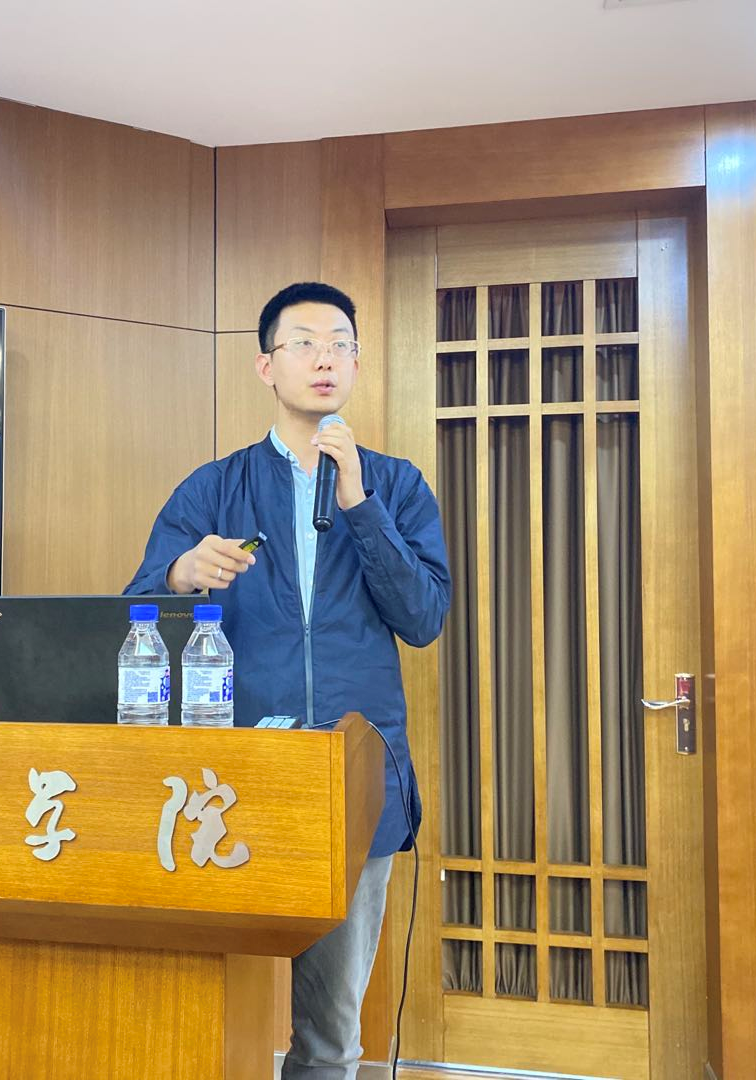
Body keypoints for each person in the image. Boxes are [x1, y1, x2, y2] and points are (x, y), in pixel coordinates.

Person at [125, 281, 451, 1078]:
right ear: (267, 366)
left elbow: (422, 618)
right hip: (228, 779)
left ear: (357, 364)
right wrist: (180, 573)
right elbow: (136, 609)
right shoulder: (214, 487)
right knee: (200, 1009)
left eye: (340, 344)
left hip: (353, 779)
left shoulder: (396, 485)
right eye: (304, 343)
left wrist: (360, 504)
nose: (324, 358)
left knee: (331, 1033)